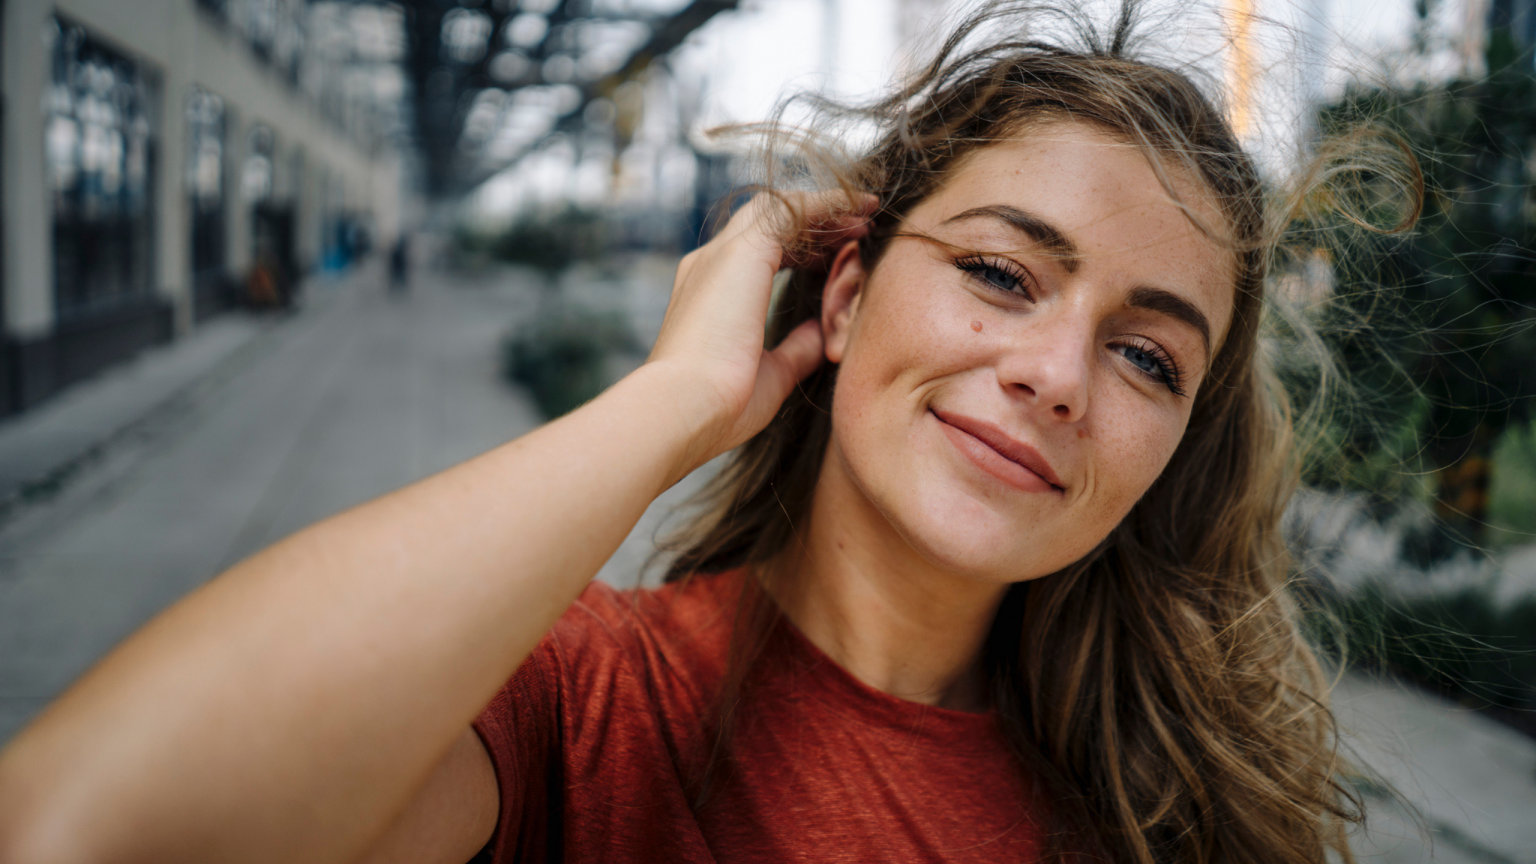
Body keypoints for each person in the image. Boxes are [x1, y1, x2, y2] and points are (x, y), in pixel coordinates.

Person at [0, 3, 1419, 863]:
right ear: (846, 296)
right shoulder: (585, 710)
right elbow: (84, 831)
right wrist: (672, 401)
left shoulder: (1183, 811)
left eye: (1148, 356)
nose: (1058, 375)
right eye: (1000, 272)